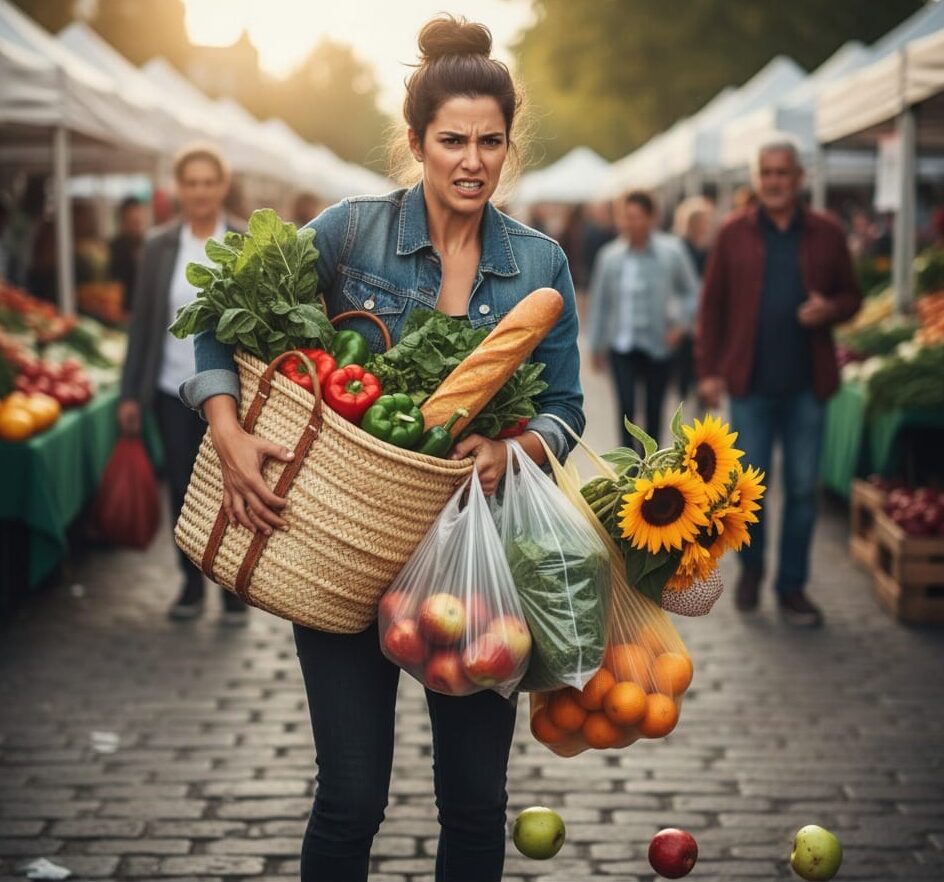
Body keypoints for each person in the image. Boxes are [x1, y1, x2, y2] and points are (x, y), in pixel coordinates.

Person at [178, 16, 584, 882]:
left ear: (510, 147)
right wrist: (228, 427)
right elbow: (217, 324)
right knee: (351, 798)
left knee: (474, 802)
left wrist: (512, 453)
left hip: (476, 563)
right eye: (452, 141)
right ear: (416, 143)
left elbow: (565, 411)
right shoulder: (352, 233)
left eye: (490, 141)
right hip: (341, 553)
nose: (472, 161)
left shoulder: (541, 265)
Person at [696, 137, 862, 627]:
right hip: (750, 385)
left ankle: (792, 586)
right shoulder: (733, 233)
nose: (773, 182)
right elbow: (712, 307)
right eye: (765, 173)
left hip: (808, 385)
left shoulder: (827, 232)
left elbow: (852, 295)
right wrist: (707, 371)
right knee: (749, 491)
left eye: (782, 173)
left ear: (799, 179)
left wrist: (830, 309)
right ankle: (751, 570)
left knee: (805, 490)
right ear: (757, 179)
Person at [118, 143, 248, 626]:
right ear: (178, 187)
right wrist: (130, 393)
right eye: (190, 182)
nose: (199, 191)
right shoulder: (159, 245)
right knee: (181, 488)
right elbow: (143, 324)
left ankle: (233, 589)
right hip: (172, 388)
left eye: (207, 182)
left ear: (221, 186)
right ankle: (191, 585)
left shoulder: (240, 239)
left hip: (232, 394)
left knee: (231, 488)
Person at [586, 190, 699, 447]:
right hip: (621, 345)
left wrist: (681, 326)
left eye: (636, 217)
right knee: (626, 410)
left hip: (658, 345)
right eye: (625, 217)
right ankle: (628, 472)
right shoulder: (609, 256)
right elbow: (600, 302)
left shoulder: (672, 252)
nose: (630, 223)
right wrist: (595, 345)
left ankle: (652, 471)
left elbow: (691, 292)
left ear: (651, 218)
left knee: (654, 411)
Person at [672, 196, 715, 400]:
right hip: (685, 313)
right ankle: (684, 393)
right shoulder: (679, 247)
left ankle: (698, 394)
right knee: (686, 359)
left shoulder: (709, 247)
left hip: (706, 310)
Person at [108, 196, 147, 312]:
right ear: (123, 221)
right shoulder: (114, 249)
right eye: (133, 222)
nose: (137, 226)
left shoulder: (149, 246)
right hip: (122, 311)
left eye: (138, 222)